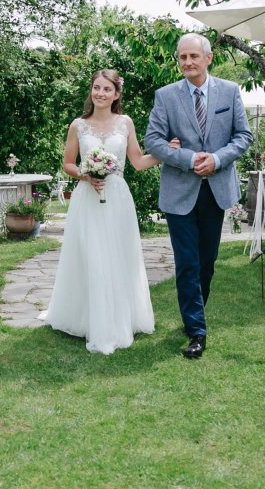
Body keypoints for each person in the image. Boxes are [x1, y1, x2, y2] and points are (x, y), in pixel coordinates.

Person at [42, 69, 171, 354]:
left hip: (117, 197)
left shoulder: (125, 123)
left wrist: (167, 152)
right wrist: (86, 175)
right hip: (87, 197)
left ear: (116, 94)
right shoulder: (78, 125)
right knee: (90, 255)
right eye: (96, 88)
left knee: (117, 255)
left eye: (106, 89)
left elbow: (137, 161)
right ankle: (86, 318)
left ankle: (119, 318)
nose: (100, 93)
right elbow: (68, 163)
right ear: (91, 91)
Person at [144, 34, 252, 360]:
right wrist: (190, 159)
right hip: (179, 191)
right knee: (187, 263)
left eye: (193, 56)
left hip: (216, 190)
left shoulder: (230, 92)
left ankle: (195, 313)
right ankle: (196, 331)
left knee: (207, 262)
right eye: (182, 57)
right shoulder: (165, 96)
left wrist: (217, 159)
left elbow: (243, 136)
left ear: (208, 58)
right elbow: (153, 141)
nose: (187, 62)